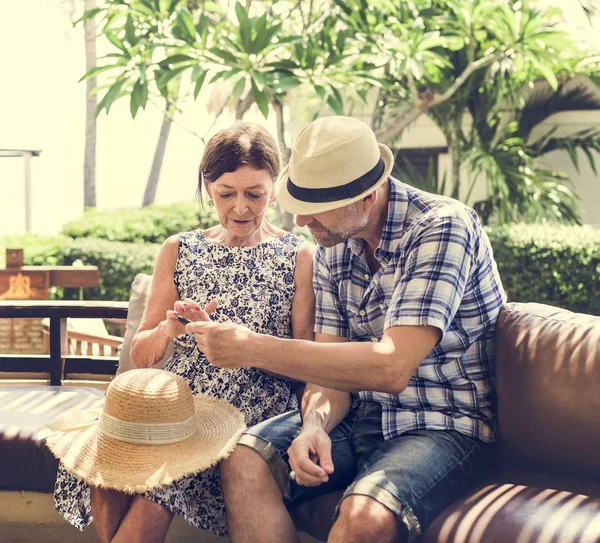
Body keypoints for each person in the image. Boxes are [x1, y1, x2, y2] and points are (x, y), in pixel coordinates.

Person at [186, 116, 507, 543]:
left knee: (363, 516)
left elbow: (391, 367)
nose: (300, 222)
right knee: (246, 456)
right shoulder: (333, 244)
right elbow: (329, 370)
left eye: (314, 209)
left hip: (445, 423)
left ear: (367, 197)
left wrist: (252, 348)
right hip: (360, 415)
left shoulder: (442, 227)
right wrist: (314, 424)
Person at [53, 122, 315, 543]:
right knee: (104, 451)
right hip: (177, 410)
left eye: (255, 194)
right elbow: (142, 353)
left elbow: (308, 357)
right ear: (207, 186)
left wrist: (250, 350)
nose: (241, 207)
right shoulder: (180, 248)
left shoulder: (299, 254)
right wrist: (170, 329)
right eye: (227, 193)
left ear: (274, 188)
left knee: (156, 489)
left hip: (248, 414)